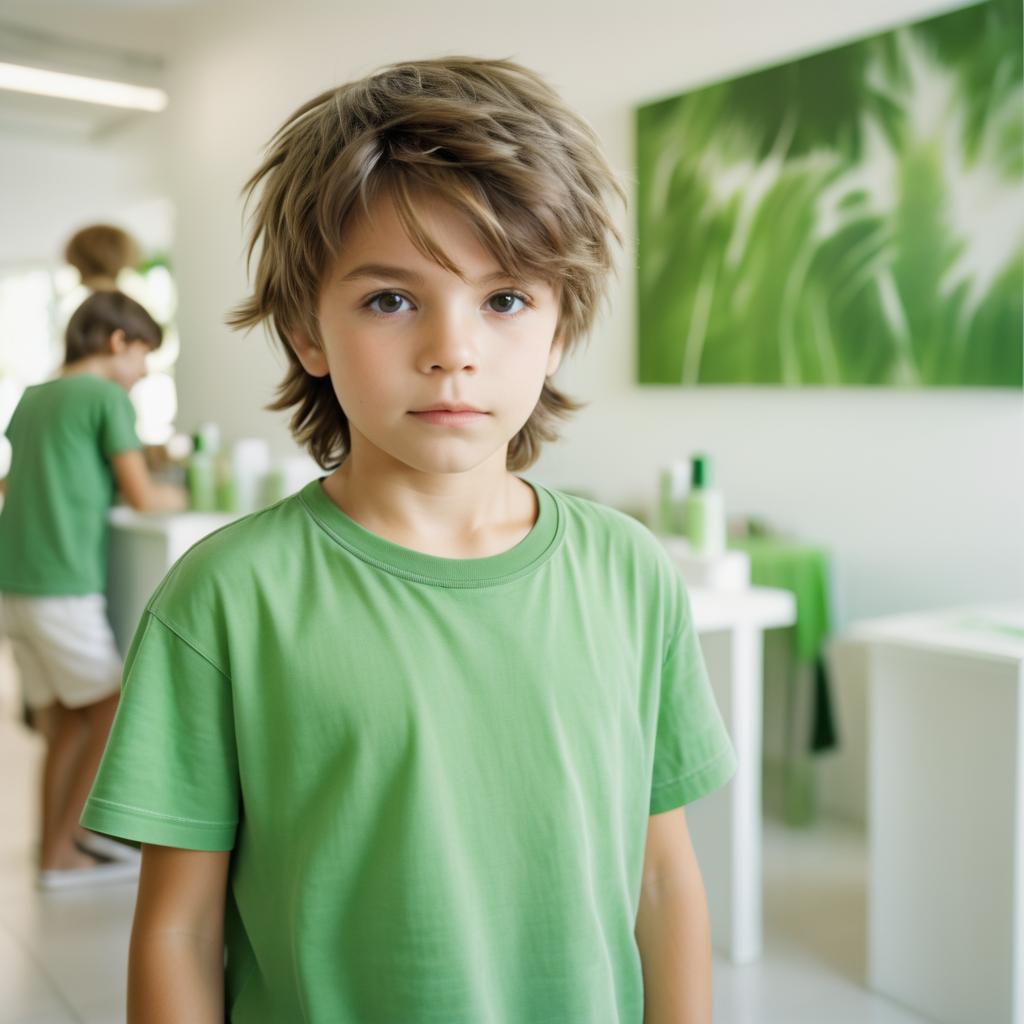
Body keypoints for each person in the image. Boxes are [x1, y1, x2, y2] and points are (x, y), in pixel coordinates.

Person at [82, 57, 737, 1022]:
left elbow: (664, 880)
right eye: (391, 299)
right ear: (309, 330)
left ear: (560, 328)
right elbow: (178, 928)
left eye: (505, 299)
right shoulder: (226, 597)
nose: (452, 349)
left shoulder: (631, 572)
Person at [0, 290, 187, 890]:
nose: (141, 374)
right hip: (61, 586)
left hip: (15, 584)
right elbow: (142, 494)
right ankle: (63, 851)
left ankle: (53, 849)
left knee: (63, 722)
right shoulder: (106, 396)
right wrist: (182, 496)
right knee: (108, 710)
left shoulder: (33, 398)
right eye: (143, 358)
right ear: (117, 343)